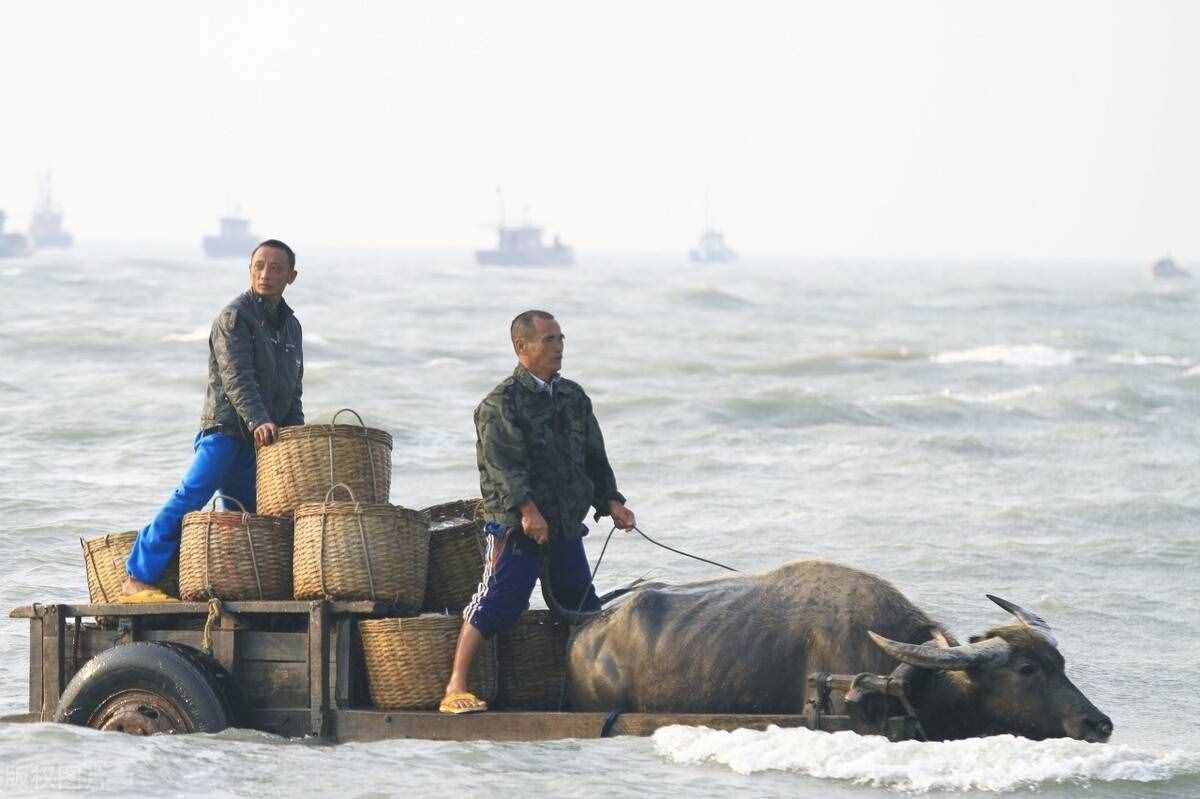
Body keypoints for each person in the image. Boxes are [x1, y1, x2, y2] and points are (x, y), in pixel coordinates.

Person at [440, 309, 635, 713]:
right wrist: (528, 512)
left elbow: (594, 459)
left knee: (582, 607)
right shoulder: (499, 404)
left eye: (561, 339)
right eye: (549, 340)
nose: (559, 347)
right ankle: (455, 685)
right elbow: (504, 467)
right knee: (497, 601)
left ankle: (590, 692)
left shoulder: (573, 398)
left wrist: (612, 501)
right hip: (515, 526)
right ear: (521, 347)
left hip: (564, 524)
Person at [120, 240, 304, 601]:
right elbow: (237, 378)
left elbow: (292, 390)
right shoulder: (234, 318)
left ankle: (226, 586)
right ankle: (137, 575)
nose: (266, 274)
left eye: (276, 268)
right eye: (259, 266)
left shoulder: (291, 327)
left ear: (291, 277)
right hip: (225, 432)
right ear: (249, 269)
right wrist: (258, 421)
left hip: (260, 441)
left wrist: (295, 436)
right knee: (191, 495)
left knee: (247, 519)